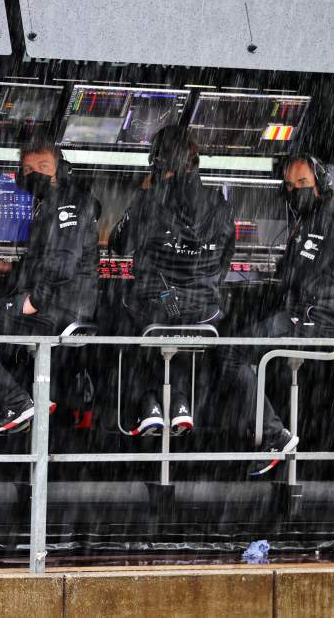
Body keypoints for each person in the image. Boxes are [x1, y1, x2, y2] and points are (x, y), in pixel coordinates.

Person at [221, 154, 334, 476]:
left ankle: (273, 435)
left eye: (302, 184)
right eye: (289, 186)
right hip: (304, 313)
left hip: (319, 321)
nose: (294, 191)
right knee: (238, 347)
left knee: (234, 353)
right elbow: (292, 272)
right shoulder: (313, 217)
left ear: (320, 185)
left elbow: (298, 275)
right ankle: (260, 429)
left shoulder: (329, 220)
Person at [109, 124, 235, 436]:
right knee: (173, 328)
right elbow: (224, 261)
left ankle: (147, 402)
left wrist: (143, 192)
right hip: (205, 312)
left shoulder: (153, 199)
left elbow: (120, 243)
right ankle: (179, 403)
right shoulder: (220, 202)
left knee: (122, 319)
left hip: (162, 303)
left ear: (159, 162)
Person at [0, 139, 101, 435]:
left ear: (60, 169)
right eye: (28, 168)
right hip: (67, 308)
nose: (33, 173)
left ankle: (17, 401)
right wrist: (14, 269)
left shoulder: (66, 203)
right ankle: (34, 399)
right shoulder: (54, 202)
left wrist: (34, 301)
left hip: (56, 312)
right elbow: (48, 261)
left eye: (42, 167)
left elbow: (62, 267)